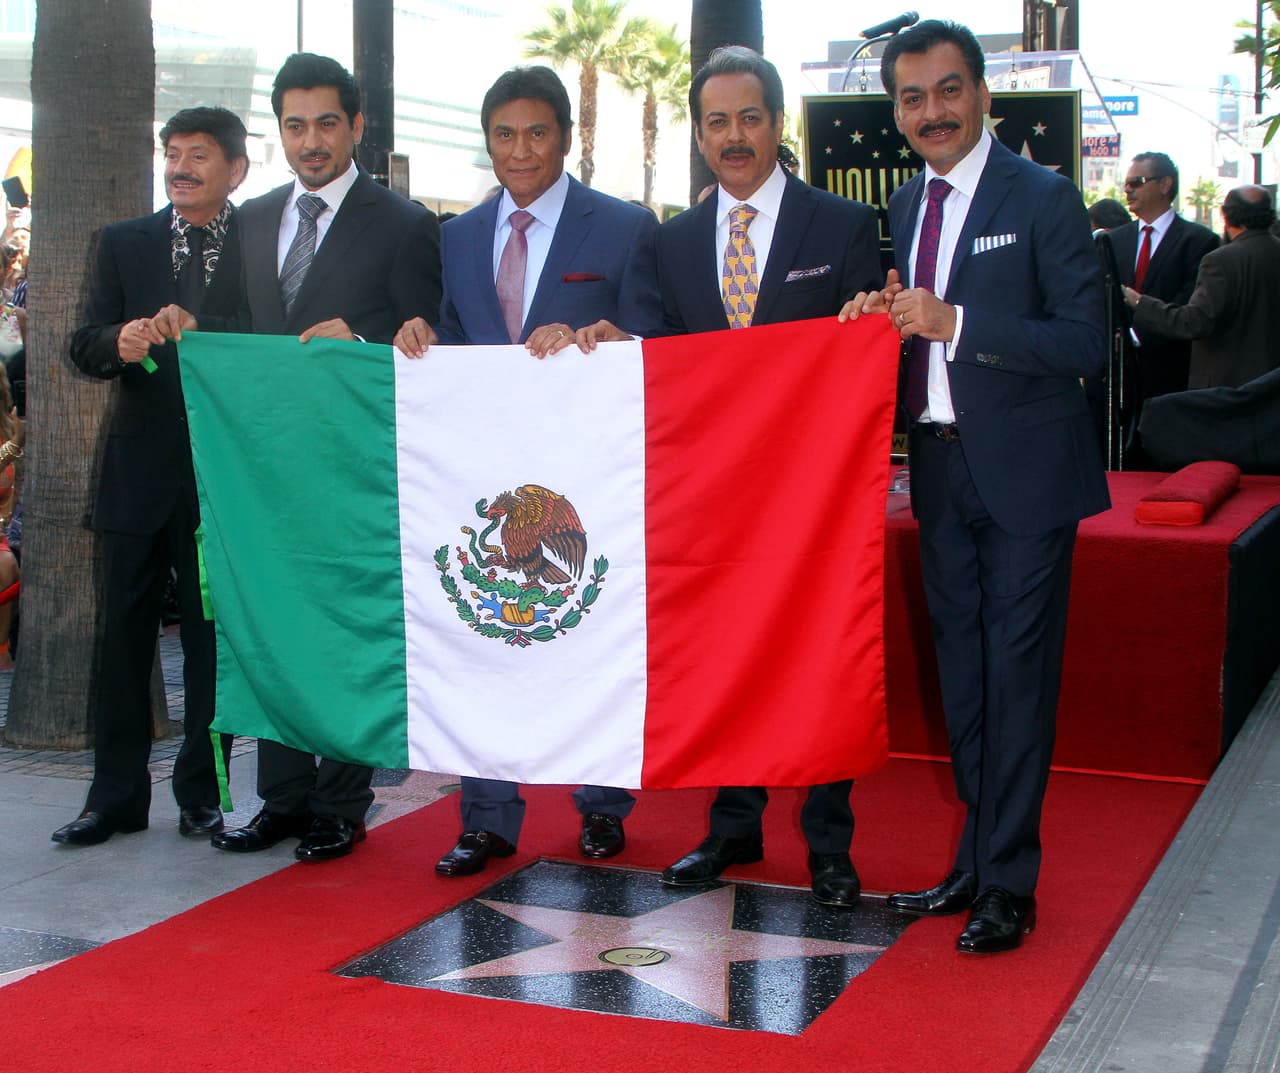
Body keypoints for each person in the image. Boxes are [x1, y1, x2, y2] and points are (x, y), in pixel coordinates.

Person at [577, 45, 881, 908]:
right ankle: (733, 829)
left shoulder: (841, 227)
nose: (735, 136)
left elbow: (864, 361)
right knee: (727, 662)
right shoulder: (668, 243)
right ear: (700, 134)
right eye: (717, 121)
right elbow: (655, 365)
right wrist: (604, 346)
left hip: (814, 502)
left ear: (778, 125)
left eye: (750, 117)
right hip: (710, 503)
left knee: (823, 660)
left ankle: (829, 846)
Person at [861, 19, 1108, 952]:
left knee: (1014, 677)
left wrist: (957, 319)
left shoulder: (1043, 196)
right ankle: (973, 857)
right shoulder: (904, 205)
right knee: (962, 677)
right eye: (914, 97)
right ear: (896, 110)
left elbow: (1085, 344)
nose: (933, 112)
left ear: (984, 95)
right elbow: (908, 331)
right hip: (935, 468)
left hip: (1028, 478)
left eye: (949, 90)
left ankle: (1010, 878)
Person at [393, 64, 661, 877]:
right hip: (489, 478)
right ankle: (486, 816)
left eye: (537, 132)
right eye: (504, 135)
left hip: (591, 478)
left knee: (593, 632)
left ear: (565, 138)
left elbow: (651, 333)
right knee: (483, 632)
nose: (521, 150)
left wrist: (604, 338)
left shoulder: (623, 227)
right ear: (488, 142)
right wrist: (419, 340)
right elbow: (453, 335)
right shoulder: (459, 235)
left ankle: (605, 807)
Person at [204, 53, 442, 862]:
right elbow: (226, 330)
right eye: (296, 125)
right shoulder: (250, 219)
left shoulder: (406, 224)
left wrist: (367, 342)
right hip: (265, 473)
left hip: (353, 469)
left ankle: (342, 801)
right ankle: (282, 798)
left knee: (344, 631)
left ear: (357, 126)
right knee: (272, 622)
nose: (311, 141)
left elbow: (425, 347)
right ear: (280, 131)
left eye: (327, 124)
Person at [52, 106, 249, 846]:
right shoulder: (123, 242)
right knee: (122, 644)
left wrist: (213, 342)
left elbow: (271, 345)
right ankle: (113, 800)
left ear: (235, 169)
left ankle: (202, 792)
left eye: (199, 154)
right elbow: (81, 345)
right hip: (134, 476)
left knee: (209, 645)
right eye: (172, 152)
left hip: (220, 480)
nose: (181, 166)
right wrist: (121, 340)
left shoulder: (259, 241)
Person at [1122, 185, 1280, 390]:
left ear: (1226, 215)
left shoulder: (1220, 260)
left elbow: (1194, 322)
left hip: (1230, 389)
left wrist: (1140, 303)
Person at [1111, 152, 1219, 408]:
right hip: (1118, 381)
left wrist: (1138, 322)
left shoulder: (1199, 242)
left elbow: (1190, 310)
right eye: (1126, 183)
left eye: (1137, 182)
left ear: (1165, 184)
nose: (1128, 189)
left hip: (1170, 378)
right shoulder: (1114, 241)